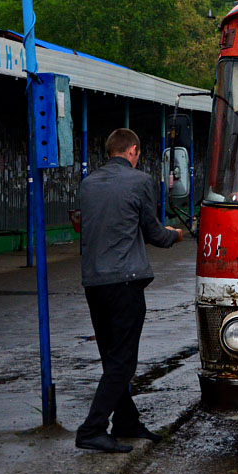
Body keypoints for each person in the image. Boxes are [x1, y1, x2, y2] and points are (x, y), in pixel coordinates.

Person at [75, 128, 182, 453]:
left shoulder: (88, 183)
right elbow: (154, 234)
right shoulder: (139, 181)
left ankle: (125, 421)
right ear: (133, 150)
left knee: (112, 358)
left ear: (111, 151)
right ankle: (92, 429)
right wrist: (175, 235)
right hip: (125, 282)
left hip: (94, 283)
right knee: (122, 362)